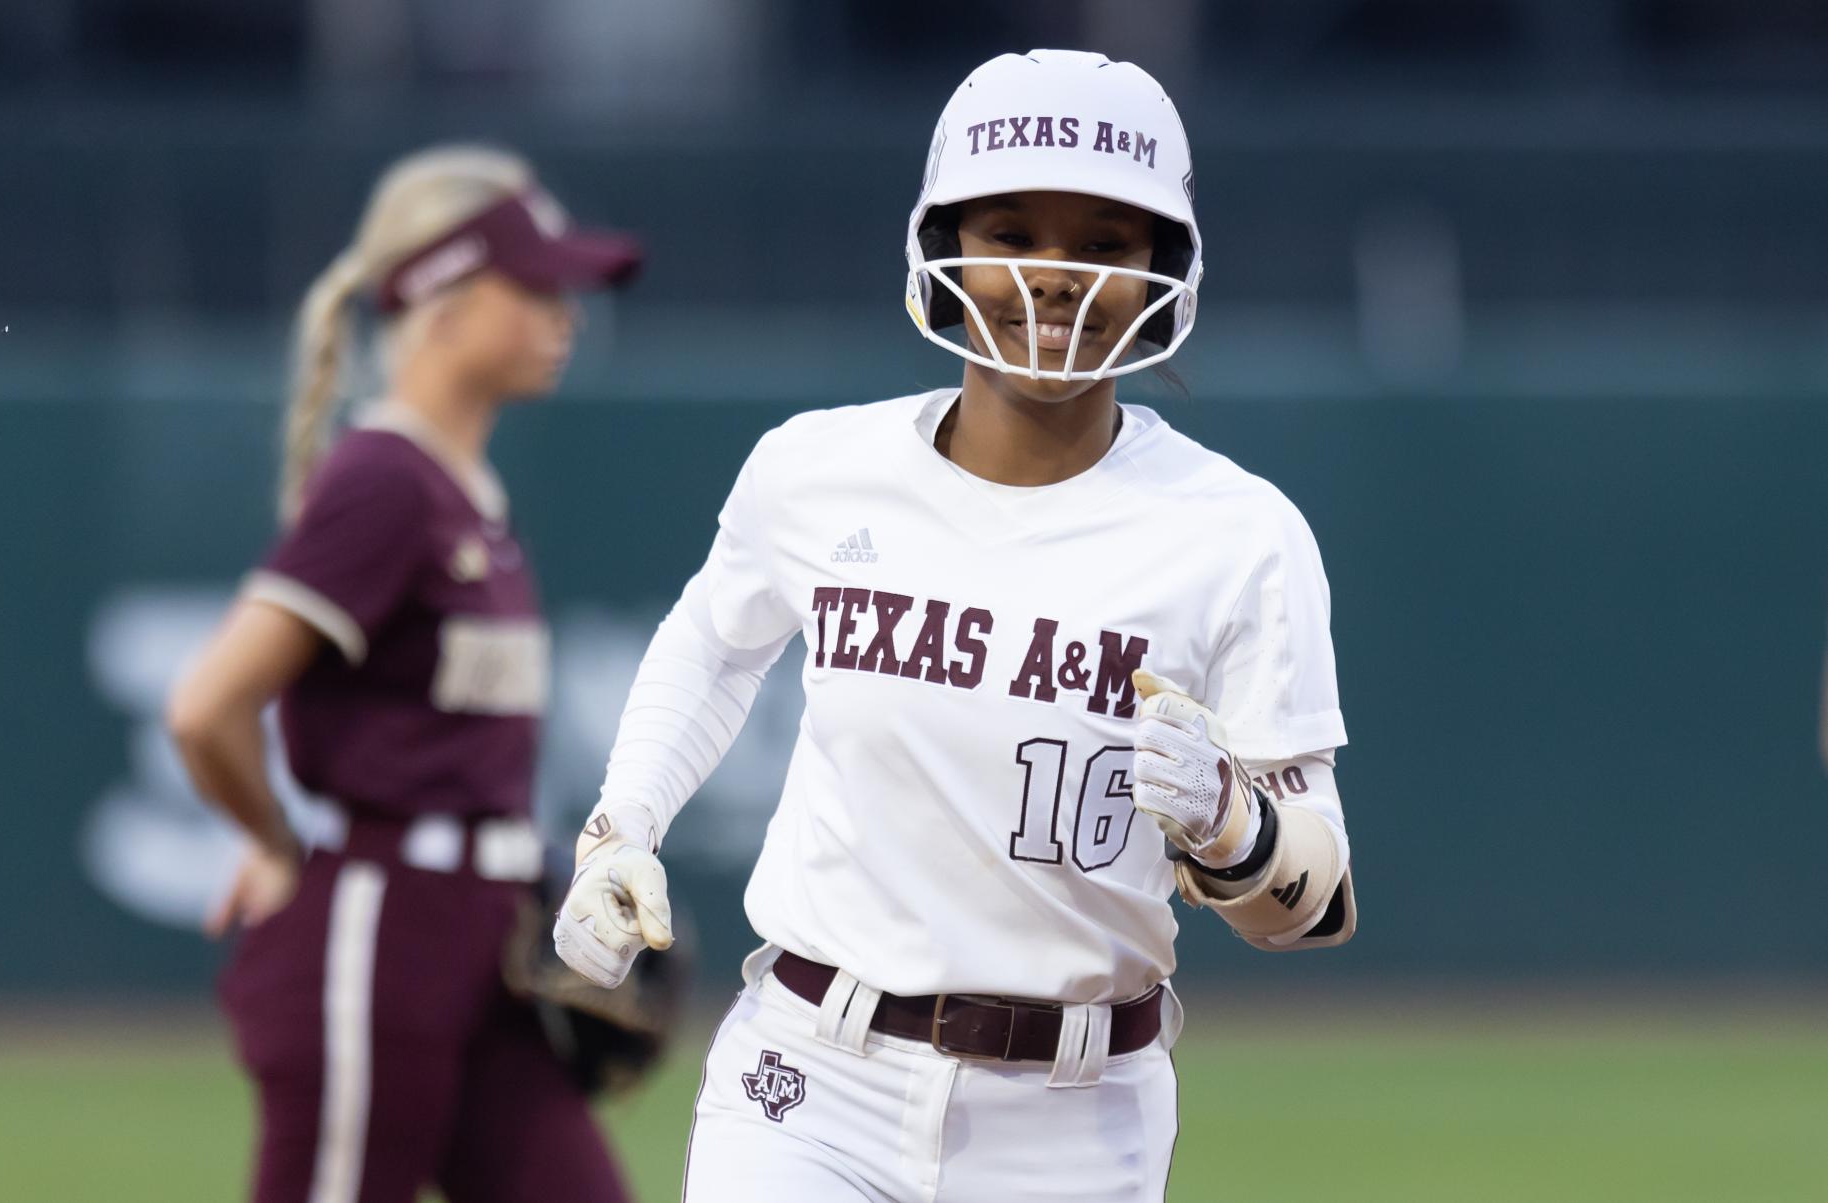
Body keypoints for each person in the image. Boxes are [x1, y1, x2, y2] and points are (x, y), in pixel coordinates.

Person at [553, 50, 1357, 1202]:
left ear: (1163, 271)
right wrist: (619, 826)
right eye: (1014, 232)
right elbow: (715, 645)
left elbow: (1315, 902)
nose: (1053, 277)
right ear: (945, 246)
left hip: (1078, 1119)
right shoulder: (816, 471)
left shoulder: (1239, 535)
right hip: (809, 1080)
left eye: (1102, 245)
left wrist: (1235, 827)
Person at [167, 145, 642, 1203]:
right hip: (378, 933)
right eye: (536, 282)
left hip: (483, 940)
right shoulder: (386, 481)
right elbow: (206, 709)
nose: (567, 308)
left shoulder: (461, 489)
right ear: (447, 298)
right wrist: (280, 844)